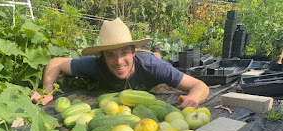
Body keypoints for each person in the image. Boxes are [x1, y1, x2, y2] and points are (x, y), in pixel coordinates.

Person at [31, 18, 209, 109]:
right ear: (102, 56)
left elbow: (200, 85)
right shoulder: (95, 64)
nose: (118, 61)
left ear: (132, 51)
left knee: (155, 57)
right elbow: (56, 62)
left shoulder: (153, 67)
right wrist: (47, 90)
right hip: (140, 58)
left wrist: (191, 100)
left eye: (124, 52)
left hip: (148, 58)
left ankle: (155, 49)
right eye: (110, 54)